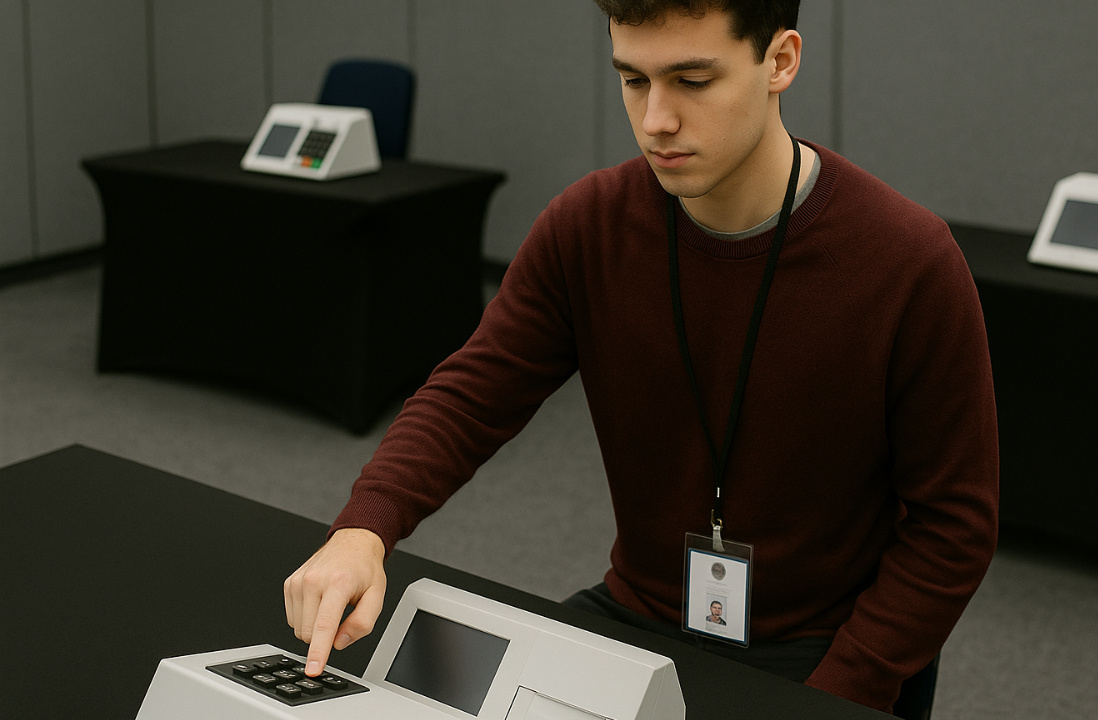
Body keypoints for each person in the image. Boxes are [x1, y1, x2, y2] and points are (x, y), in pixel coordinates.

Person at [283, 0, 999, 713]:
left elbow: (954, 525)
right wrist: (363, 529)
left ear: (780, 61)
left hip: (824, 641)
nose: (656, 119)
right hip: (639, 610)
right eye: (633, 80)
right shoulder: (586, 226)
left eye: (692, 81)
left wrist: (847, 690)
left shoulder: (908, 262)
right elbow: (470, 396)